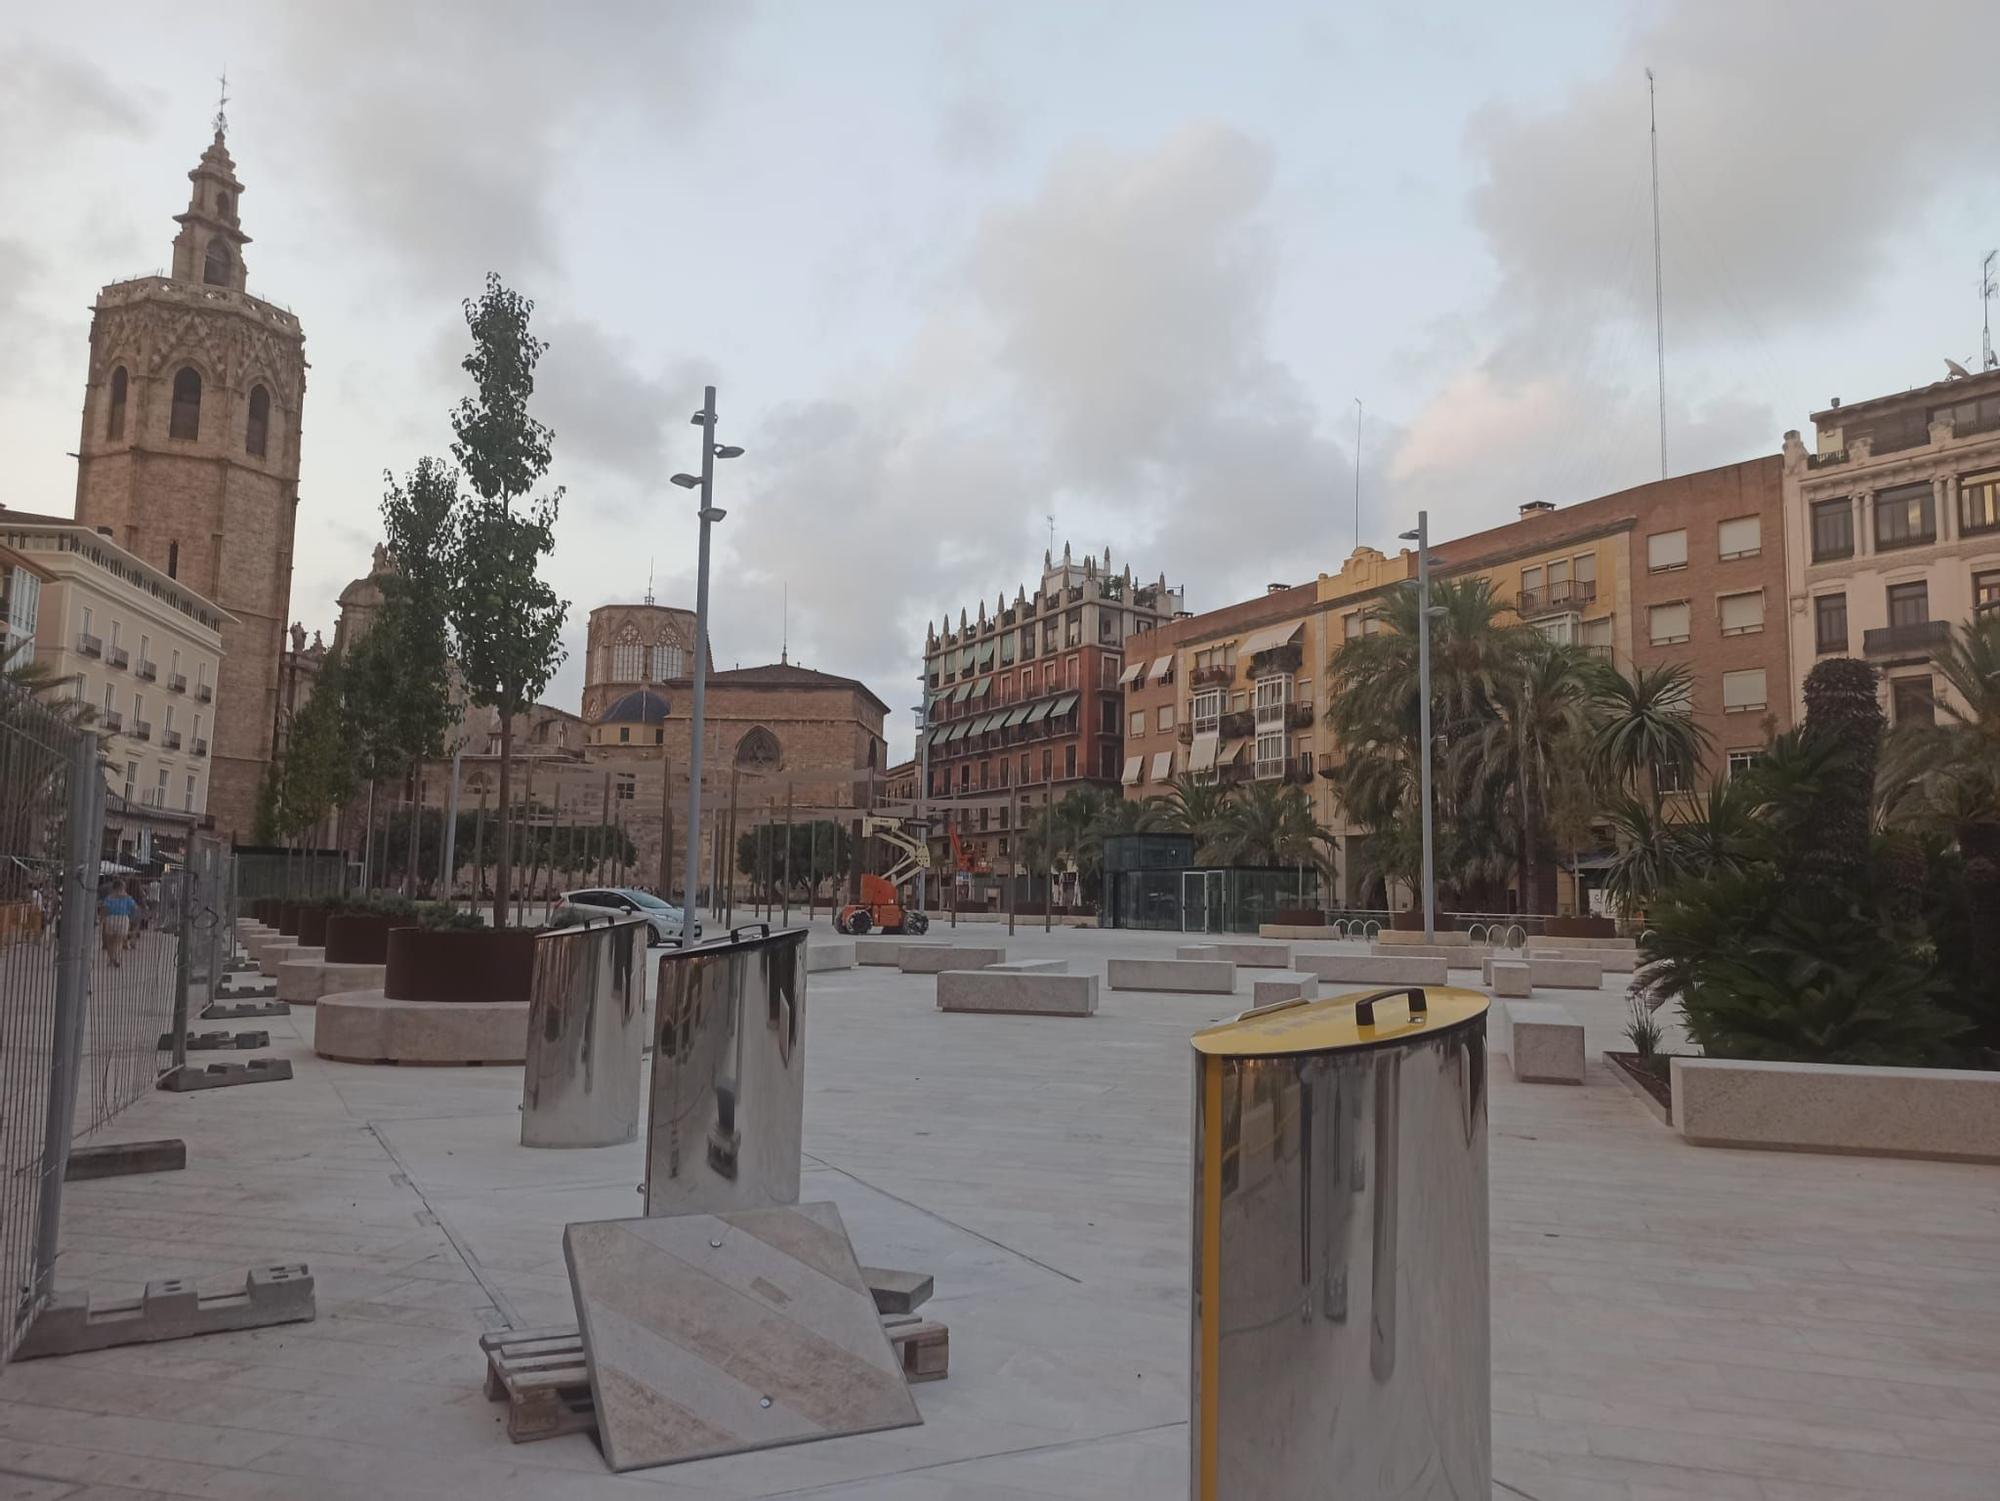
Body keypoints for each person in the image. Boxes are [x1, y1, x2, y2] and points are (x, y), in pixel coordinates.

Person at [100, 879, 137, 968]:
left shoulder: (109, 897)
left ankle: (111, 958)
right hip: (123, 918)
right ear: (122, 887)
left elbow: (104, 908)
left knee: (110, 941)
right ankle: (116, 958)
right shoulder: (127, 898)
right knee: (119, 941)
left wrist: (102, 919)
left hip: (110, 918)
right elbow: (134, 908)